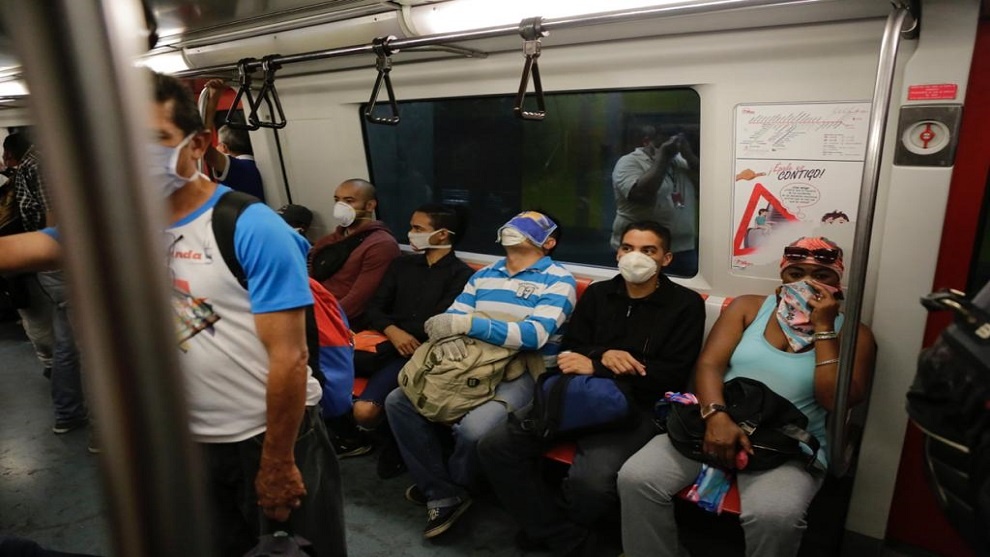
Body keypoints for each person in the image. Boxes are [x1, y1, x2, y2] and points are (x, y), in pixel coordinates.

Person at [0, 73, 347, 557]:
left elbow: (289, 358)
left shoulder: (250, 227)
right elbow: (19, 251)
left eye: (153, 140)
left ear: (197, 144)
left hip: (268, 436)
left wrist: (276, 462)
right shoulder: (117, 227)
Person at [617, 236, 876, 557]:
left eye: (822, 276)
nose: (807, 282)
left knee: (775, 517)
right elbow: (709, 366)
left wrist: (824, 328)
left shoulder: (855, 334)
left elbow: (833, 399)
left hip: (787, 443)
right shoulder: (749, 307)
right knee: (636, 478)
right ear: (783, 277)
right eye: (796, 273)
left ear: (838, 282)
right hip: (717, 419)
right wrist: (716, 416)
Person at [479, 220, 706, 556]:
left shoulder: (685, 304)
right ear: (618, 253)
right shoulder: (600, 294)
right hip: (575, 391)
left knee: (591, 484)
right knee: (495, 446)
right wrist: (602, 356)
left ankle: (553, 530)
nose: (635, 257)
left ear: (667, 259)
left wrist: (598, 364)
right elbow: (573, 347)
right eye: (628, 248)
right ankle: (562, 536)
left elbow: (671, 374)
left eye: (648, 250)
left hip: (637, 405)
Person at [384, 211, 576, 539]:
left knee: (475, 429)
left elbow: (534, 335)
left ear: (550, 242)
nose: (515, 227)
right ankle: (442, 491)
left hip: (525, 372)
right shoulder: (484, 275)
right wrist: (450, 336)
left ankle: (456, 484)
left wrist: (469, 326)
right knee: (399, 399)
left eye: (528, 225)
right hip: (472, 362)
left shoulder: (558, 280)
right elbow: (454, 315)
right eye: (514, 222)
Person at [358, 203, 474, 475]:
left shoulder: (462, 276)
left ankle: (393, 442)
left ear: (442, 234)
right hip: (385, 341)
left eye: (417, 228)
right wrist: (392, 330)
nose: (410, 233)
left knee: (365, 411)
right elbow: (374, 307)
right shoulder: (401, 264)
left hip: (417, 352)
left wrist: (402, 333)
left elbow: (438, 322)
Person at [308, 179, 400, 329]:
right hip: (317, 310)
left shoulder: (380, 244)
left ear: (370, 206)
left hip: (345, 321)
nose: (340, 207)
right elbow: (312, 282)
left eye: (349, 201)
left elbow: (359, 299)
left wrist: (321, 320)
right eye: (337, 200)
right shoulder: (327, 241)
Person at [611, 125, 699, 277]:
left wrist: (688, 154)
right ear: (646, 142)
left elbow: (708, 182)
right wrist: (663, 157)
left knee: (681, 297)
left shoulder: (679, 161)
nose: (669, 148)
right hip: (641, 250)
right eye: (662, 143)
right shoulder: (629, 162)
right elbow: (641, 195)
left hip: (682, 248)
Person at [2, 132, 53, 379]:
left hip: (40, 252)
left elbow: (47, 211)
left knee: (39, 315)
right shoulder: (32, 166)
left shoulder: (34, 166)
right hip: (35, 250)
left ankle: (54, 365)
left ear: (10, 154)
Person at [202, 79, 266, 201]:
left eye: (218, 145)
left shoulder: (239, 168)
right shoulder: (257, 166)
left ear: (225, 147)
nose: (217, 148)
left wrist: (214, 97)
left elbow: (203, 148)